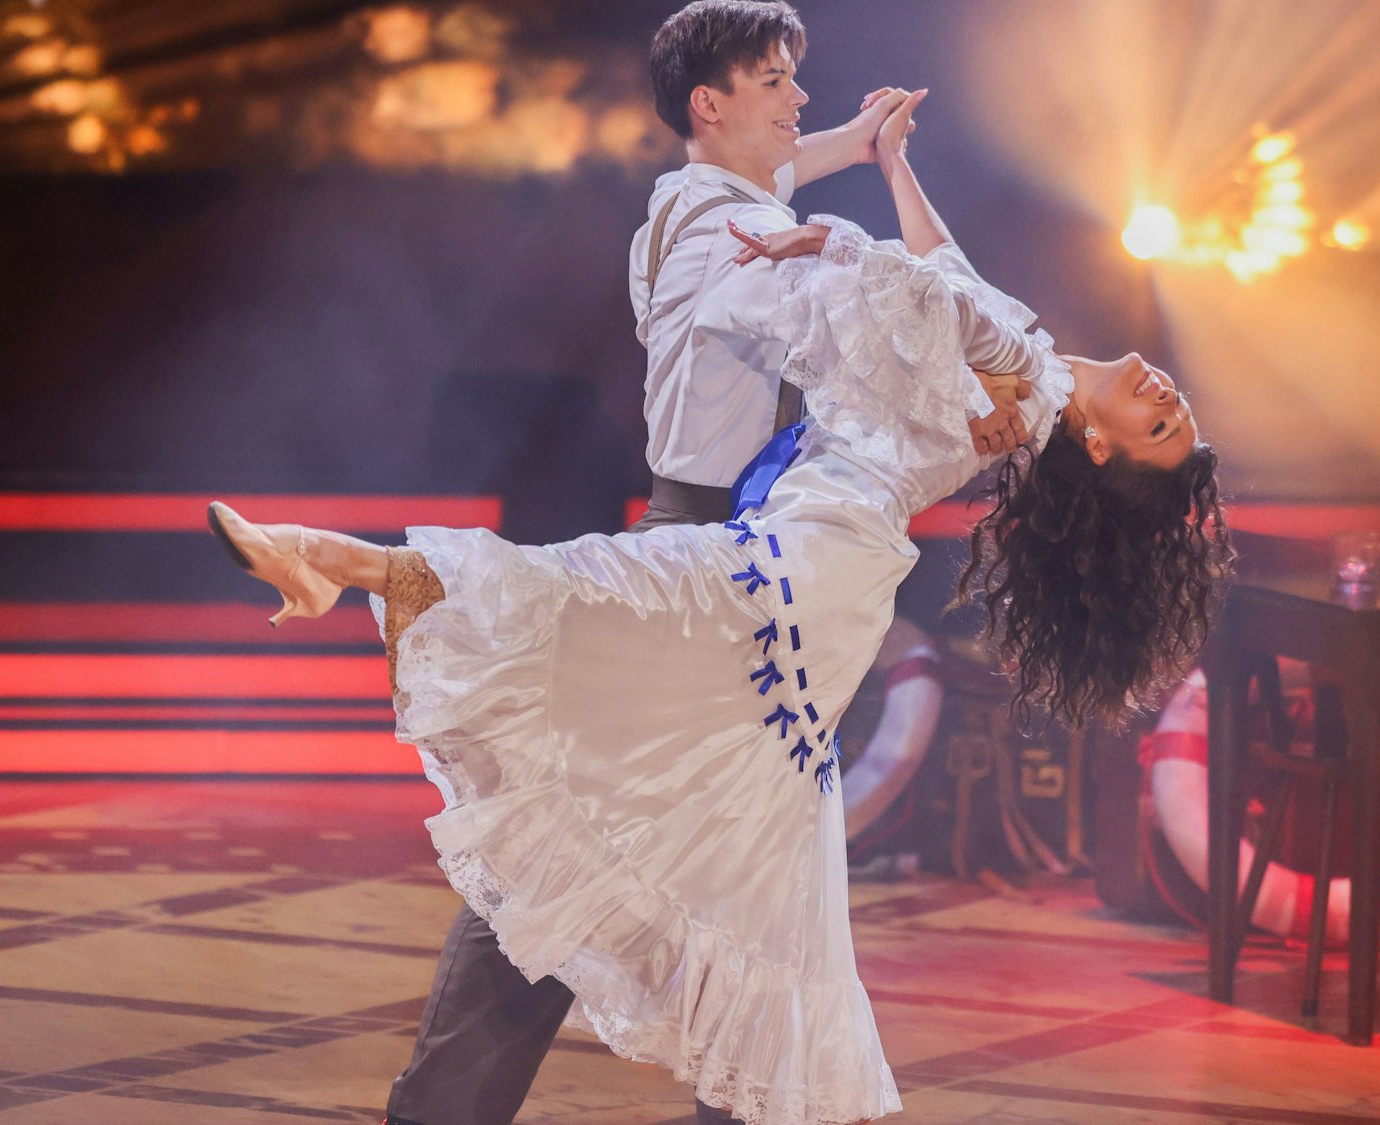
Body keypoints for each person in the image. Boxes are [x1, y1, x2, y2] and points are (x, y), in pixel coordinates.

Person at [206, 62, 1228, 1125]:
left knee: (604, 610)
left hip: (806, 569)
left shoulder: (1024, 385)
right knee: (733, 848)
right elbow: (943, 267)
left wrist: (833, 240)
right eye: (1176, 407)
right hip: (803, 564)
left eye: (1161, 429)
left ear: (1102, 449)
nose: (1164, 398)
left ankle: (338, 559)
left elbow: (930, 300)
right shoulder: (1029, 356)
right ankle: (339, 563)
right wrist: (890, 162)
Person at [357, 3, 1019, 1122]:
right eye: (773, 81)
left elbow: (765, 188)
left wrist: (858, 150)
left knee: (726, 880)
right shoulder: (724, 231)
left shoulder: (694, 203)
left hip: (727, 552)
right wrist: (927, 334)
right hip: (710, 568)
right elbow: (810, 308)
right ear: (709, 102)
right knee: (587, 855)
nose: (797, 99)